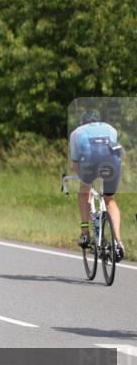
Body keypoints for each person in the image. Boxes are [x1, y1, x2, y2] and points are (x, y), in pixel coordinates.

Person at [70, 110, 125, 260]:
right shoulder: (110, 128)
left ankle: (85, 233)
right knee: (109, 198)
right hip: (112, 162)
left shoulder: (76, 133)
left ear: (82, 123)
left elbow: (75, 164)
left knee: (84, 191)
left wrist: (82, 177)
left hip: (90, 160)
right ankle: (118, 242)